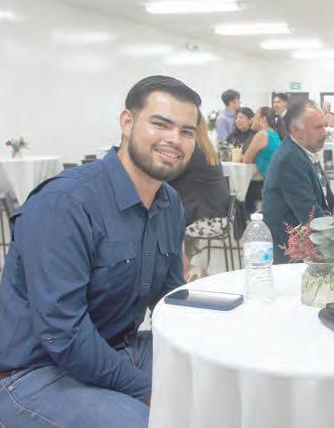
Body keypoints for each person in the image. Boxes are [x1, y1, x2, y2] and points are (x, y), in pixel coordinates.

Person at [0, 75, 201, 427]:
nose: (174, 139)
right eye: (160, 124)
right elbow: (63, 332)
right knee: (150, 421)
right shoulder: (64, 202)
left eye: (187, 131)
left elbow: (170, 297)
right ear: (127, 122)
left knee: (219, 377)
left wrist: (215, 333)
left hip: (118, 347)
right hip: (37, 371)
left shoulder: (169, 201)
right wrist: (146, 390)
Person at [262, 100, 334, 263]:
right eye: (318, 128)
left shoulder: (302, 152)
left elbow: (324, 201)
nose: (324, 133)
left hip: (307, 247)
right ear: (296, 130)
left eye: (324, 126)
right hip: (292, 256)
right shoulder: (289, 159)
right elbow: (310, 214)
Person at [169, 114, 229, 262]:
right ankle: (188, 261)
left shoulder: (193, 151)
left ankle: (175, 266)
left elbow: (168, 177)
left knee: (158, 220)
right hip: (218, 215)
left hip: (206, 220)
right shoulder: (206, 148)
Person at [242, 106, 281, 213]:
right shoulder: (274, 134)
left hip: (270, 184)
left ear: (263, 118)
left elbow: (246, 160)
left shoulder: (262, 135)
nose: (252, 119)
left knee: (242, 191)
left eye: (255, 115)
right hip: (278, 181)